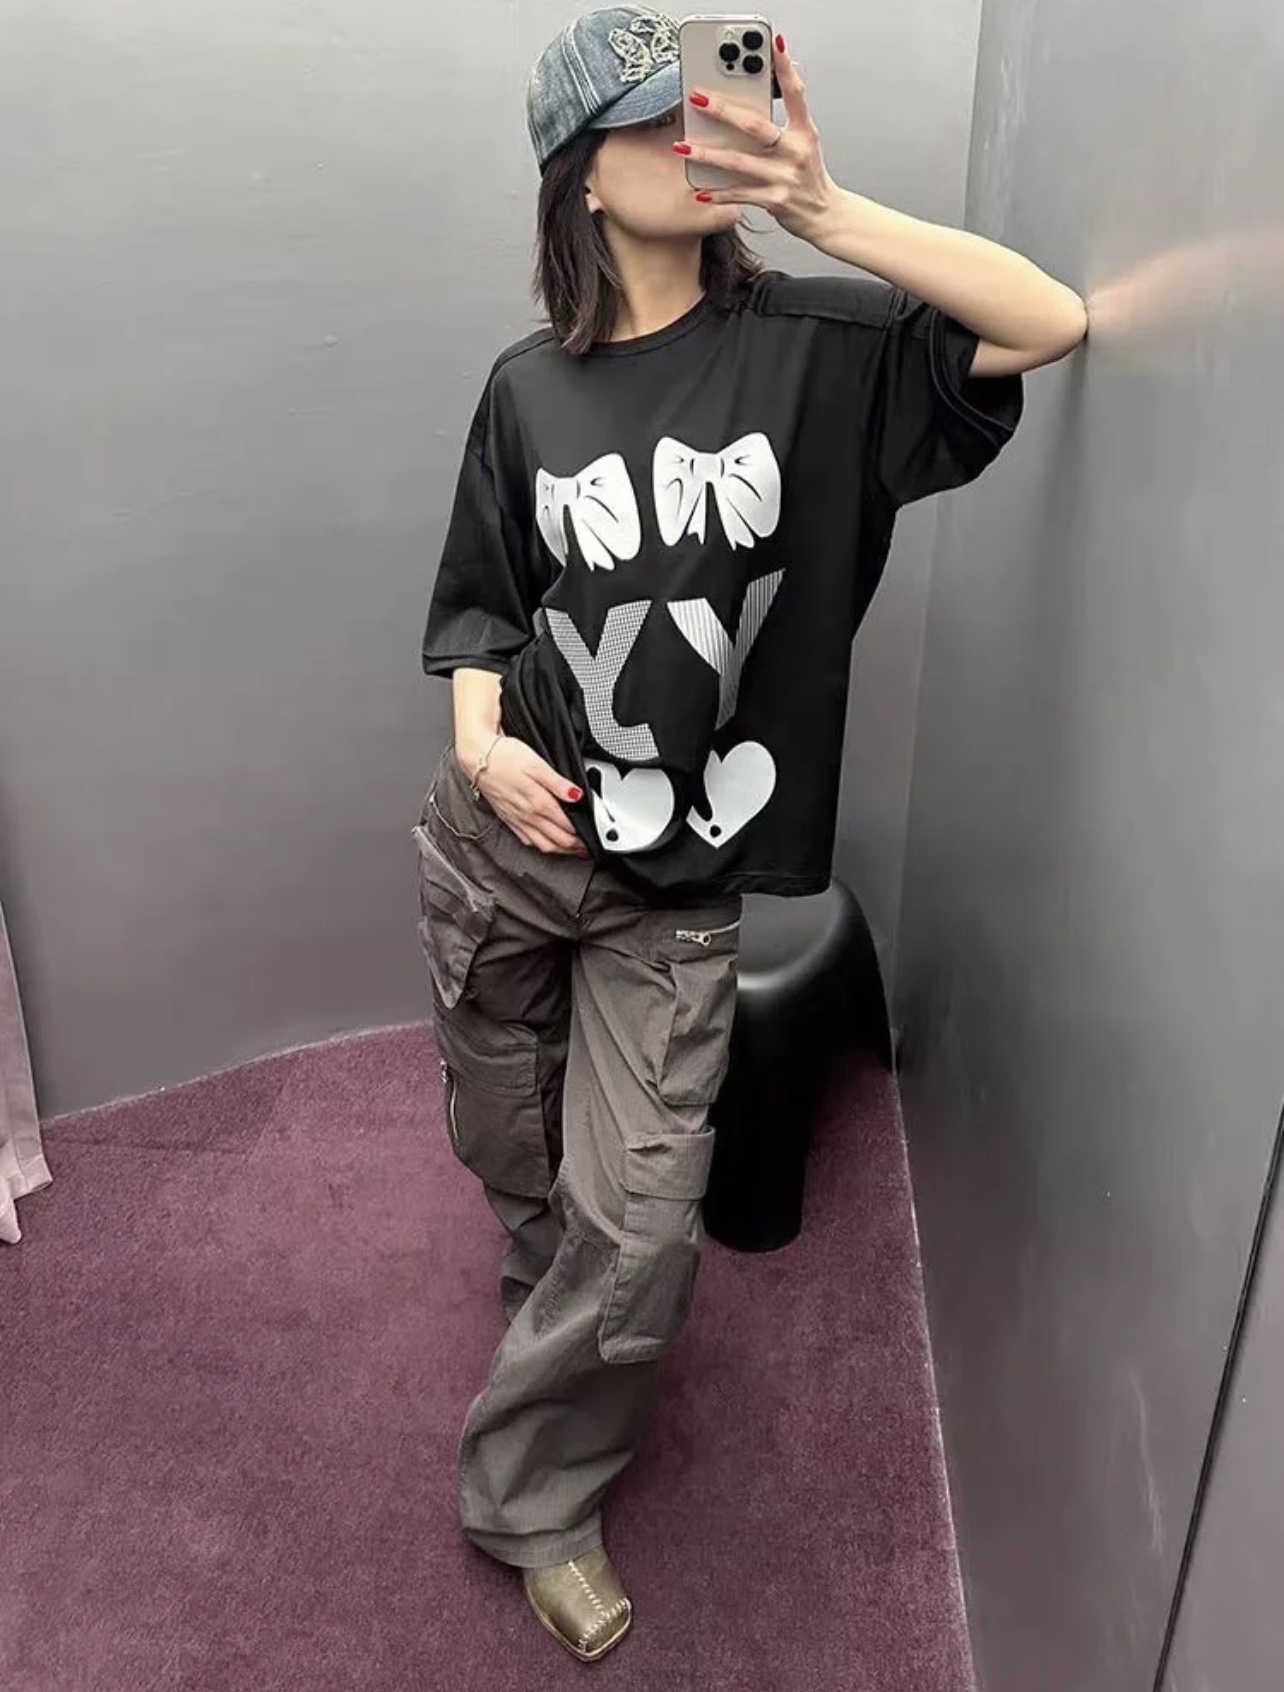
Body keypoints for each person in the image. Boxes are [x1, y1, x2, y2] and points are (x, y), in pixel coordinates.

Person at [415, 5, 1086, 1664]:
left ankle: (530, 1498)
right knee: (514, 1155)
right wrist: (481, 749)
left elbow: (1049, 321)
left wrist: (822, 205)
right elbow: (484, 605)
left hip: (678, 884)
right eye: (657, 124)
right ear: (580, 179)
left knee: (641, 1228)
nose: (695, 142)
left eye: (706, 113)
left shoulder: (821, 354)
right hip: (506, 849)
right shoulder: (525, 391)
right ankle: (549, 1315)